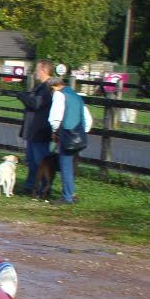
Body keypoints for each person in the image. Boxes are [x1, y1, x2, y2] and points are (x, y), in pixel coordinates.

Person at [47, 75, 94, 205]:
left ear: (53, 87)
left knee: (65, 166)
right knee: (71, 166)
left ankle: (67, 197)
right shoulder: (76, 95)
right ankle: (72, 193)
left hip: (67, 135)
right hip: (79, 135)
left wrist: (55, 132)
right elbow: (88, 118)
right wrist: (83, 131)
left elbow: (55, 117)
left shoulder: (59, 95)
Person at [16, 59, 56, 194]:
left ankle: (43, 187)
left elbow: (37, 104)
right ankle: (30, 186)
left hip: (40, 129)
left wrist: (22, 96)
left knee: (41, 161)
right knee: (31, 160)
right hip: (33, 129)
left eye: (37, 69)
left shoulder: (48, 87)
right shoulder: (40, 86)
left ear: (44, 70)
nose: (35, 72)